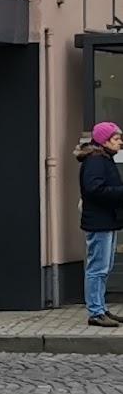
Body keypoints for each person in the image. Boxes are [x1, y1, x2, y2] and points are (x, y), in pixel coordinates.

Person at [77, 121, 123, 326]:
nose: (120, 142)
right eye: (116, 138)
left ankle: (100, 308)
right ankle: (96, 312)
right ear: (105, 141)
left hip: (107, 220)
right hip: (100, 222)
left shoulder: (103, 159)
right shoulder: (96, 161)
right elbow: (94, 190)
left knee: (105, 267)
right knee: (98, 268)